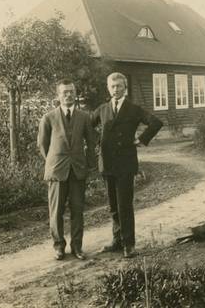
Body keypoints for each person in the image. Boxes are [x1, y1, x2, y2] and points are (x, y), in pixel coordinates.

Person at [91, 72, 163, 258]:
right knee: (113, 205)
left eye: (119, 86)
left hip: (125, 163)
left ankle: (128, 244)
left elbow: (156, 122)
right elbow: (87, 127)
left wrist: (141, 139)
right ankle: (117, 241)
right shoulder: (102, 109)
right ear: (108, 88)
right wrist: (96, 142)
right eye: (113, 86)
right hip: (106, 162)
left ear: (125, 88)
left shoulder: (134, 109)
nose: (116, 90)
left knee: (125, 204)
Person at [37, 78, 96, 261]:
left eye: (71, 91)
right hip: (57, 171)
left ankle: (77, 247)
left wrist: (88, 164)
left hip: (77, 170)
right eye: (65, 92)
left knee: (77, 210)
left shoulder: (84, 117)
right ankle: (59, 247)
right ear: (58, 95)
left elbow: (91, 143)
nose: (68, 95)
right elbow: (42, 145)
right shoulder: (49, 118)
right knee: (56, 212)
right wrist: (54, 162)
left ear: (75, 94)